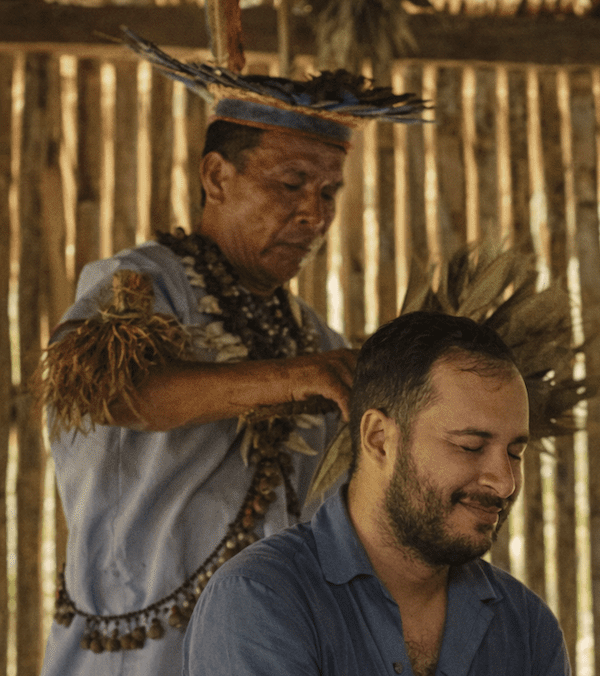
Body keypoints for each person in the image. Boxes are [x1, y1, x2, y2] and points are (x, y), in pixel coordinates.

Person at [38, 37, 427, 676]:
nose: (315, 213)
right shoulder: (139, 285)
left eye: (330, 192)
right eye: (292, 183)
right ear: (217, 176)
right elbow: (111, 394)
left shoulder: (315, 340)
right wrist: (290, 378)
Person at [183, 311, 571, 676]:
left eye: (515, 453)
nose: (504, 483)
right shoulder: (261, 599)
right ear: (380, 440)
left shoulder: (529, 628)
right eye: (470, 446)